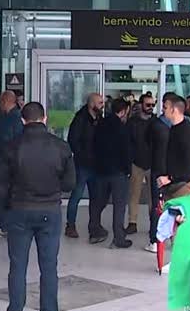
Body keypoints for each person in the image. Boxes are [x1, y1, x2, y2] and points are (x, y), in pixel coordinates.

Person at [0, 102, 75, 311]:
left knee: (18, 266)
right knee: (49, 267)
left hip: (19, 211)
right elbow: (69, 183)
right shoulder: (61, 147)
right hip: (50, 211)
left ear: (23, 120)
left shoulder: (11, 147)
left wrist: (2, 212)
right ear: (45, 119)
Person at [88, 97, 132, 248]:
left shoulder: (100, 125)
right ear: (123, 111)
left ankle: (94, 231)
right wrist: (128, 170)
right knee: (119, 206)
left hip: (101, 170)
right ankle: (118, 238)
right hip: (118, 172)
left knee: (98, 202)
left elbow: (93, 146)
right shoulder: (122, 128)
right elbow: (126, 151)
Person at [65, 92, 104, 239]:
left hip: (96, 165)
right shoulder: (80, 119)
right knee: (76, 195)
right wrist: (83, 156)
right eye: (100, 102)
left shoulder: (99, 119)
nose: (102, 105)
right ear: (92, 104)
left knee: (96, 197)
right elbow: (73, 140)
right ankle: (70, 225)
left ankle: (94, 225)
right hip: (82, 165)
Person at [0, 90, 24, 239]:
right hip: (2, 163)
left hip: (5, 164)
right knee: (2, 195)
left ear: (7, 101)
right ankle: (5, 225)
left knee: (1, 195)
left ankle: (4, 226)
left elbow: (6, 142)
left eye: (0, 101)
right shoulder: (7, 117)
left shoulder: (13, 119)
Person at [145, 92, 177, 253]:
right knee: (161, 205)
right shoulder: (161, 126)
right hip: (163, 171)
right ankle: (157, 238)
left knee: (161, 205)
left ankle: (158, 238)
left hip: (164, 171)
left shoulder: (161, 125)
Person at [126, 92, 156, 236]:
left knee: (153, 196)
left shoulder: (156, 122)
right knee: (134, 194)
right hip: (136, 162)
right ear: (141, 105)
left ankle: (154, 223)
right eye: (148, 105)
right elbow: (127, 142)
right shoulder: (133, 122)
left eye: (153, 105)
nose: (151, 107)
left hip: (153, 163)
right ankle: (132, 222)